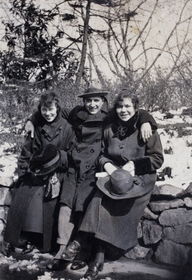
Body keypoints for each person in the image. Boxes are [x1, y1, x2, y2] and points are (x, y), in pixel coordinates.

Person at [24, 86, 158, 270]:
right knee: (66, 201)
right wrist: (31, 120)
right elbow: (50, 110)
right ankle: (63, 248)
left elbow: (135, 113)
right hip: (79, 163)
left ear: (103, 101)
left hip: (97, 166)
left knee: (85, 201)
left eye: (96, 100)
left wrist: (145, 119)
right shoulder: (77, 113)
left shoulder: (110, 116)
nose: (92, 104)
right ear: (83, 102)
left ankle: (84, 251)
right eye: (88, 100)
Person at [61, 90, 164, 279]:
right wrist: (107, 165)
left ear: (136, 109)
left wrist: (134, 165)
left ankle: (83, 244)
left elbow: (157, 159)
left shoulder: (146, 128)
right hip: (114, 175)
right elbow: (102, 154)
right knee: (98, 199)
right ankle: (96, 256)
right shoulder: (110, 128)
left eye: (127, 106)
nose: (123, 110)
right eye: (120, 106)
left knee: (109, 204)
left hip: (139, 180)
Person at [3, 92, 74, 255]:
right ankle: (16, 238)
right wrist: (27, 171)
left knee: (48, 198)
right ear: (39, 110)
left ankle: (44, 241)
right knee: (24, 193)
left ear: (57, 107)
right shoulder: (35, 126)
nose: (48, 113)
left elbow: (71, 154)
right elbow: (25, 152)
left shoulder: (68, 128)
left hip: (57, 173)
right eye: (44, 110)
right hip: (35, 172)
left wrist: (57, 162)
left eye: (51, 109)